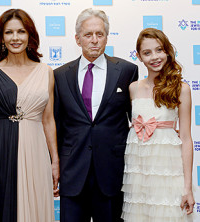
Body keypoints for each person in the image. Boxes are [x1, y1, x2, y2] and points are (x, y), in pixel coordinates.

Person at [54, 8, 139, 222]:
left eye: (99, 34)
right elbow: (56, 124)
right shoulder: (59, 75)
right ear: (77, 38)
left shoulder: (127, 71)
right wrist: (54, 166)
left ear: (106, 37)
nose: (94, 40)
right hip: (73, 173)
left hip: (112, 173)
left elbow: (136, 120)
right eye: (88, 35)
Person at [0, 9, 59, 222]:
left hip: (37, 151)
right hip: (2, 149)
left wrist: (55, 160)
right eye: (9, 32)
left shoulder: (46, 72)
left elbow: (48, 120)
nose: (15, 38)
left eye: (21, 32)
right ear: (1, 37)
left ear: (29, 36)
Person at [121, 28, 195, 221]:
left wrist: (187, 187)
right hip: (139, 175)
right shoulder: (133, 88)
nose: (154, 57)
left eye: (159, 50)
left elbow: (186, 139)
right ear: (139, 56)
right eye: (147, 53)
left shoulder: (181, 89)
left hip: (168, 172)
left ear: (167, 51)